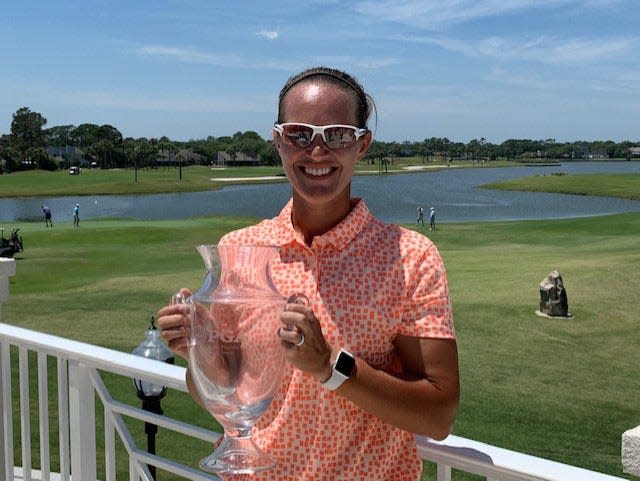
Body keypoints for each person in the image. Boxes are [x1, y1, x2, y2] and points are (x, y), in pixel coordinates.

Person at [157, 66, 459, 481]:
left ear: (362, 144)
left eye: (336, 135)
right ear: (278, 141)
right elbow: (226, 391)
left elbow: (438, 414)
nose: (317, 152)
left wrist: (329, 366)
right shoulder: (240, 249)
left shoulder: (410, 257)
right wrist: (198, 349)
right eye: (299, 134)